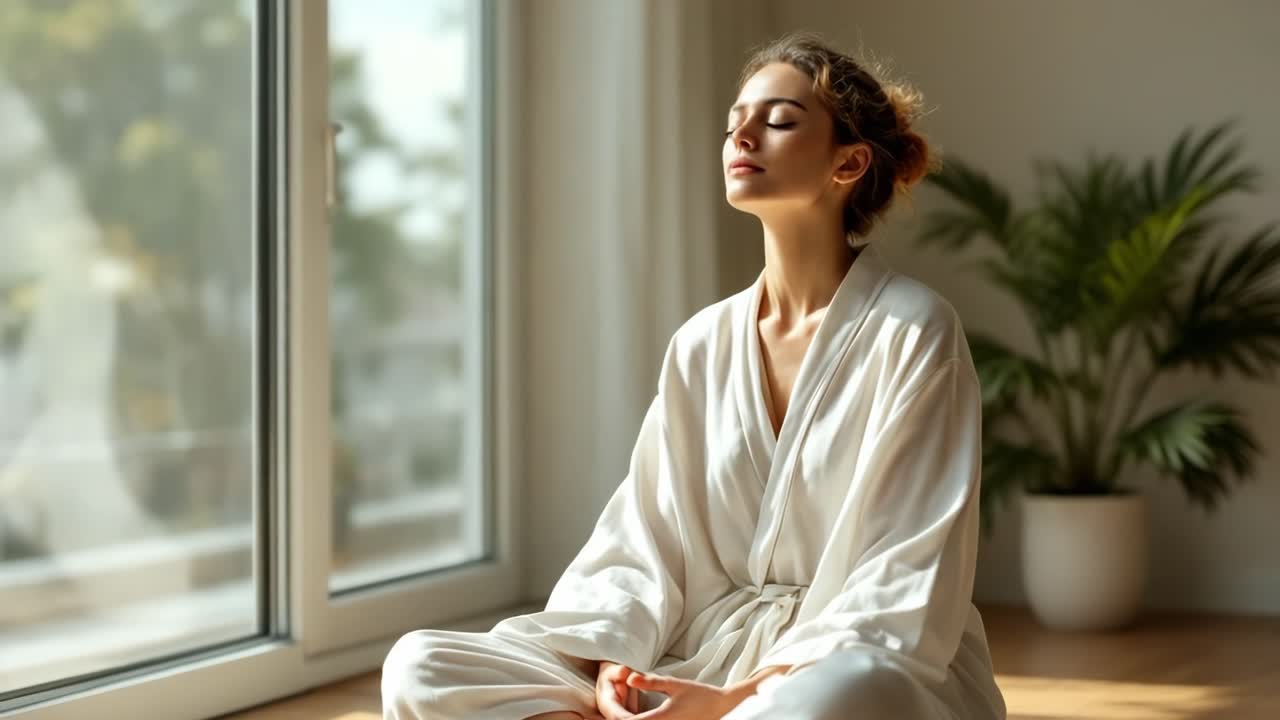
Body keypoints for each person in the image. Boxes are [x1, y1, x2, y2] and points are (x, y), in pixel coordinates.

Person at [382, 30, 1008, 720]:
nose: (743, 136)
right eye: (734, 122)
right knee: (423, 664)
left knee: (850, 694)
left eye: (778, 121)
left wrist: (740, 697)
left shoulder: (916, 332)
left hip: (841, 664)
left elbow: (904, 575)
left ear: (849, 163)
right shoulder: (701, 344)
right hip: (695, 653)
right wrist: (615, 665)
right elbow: (645, 537)